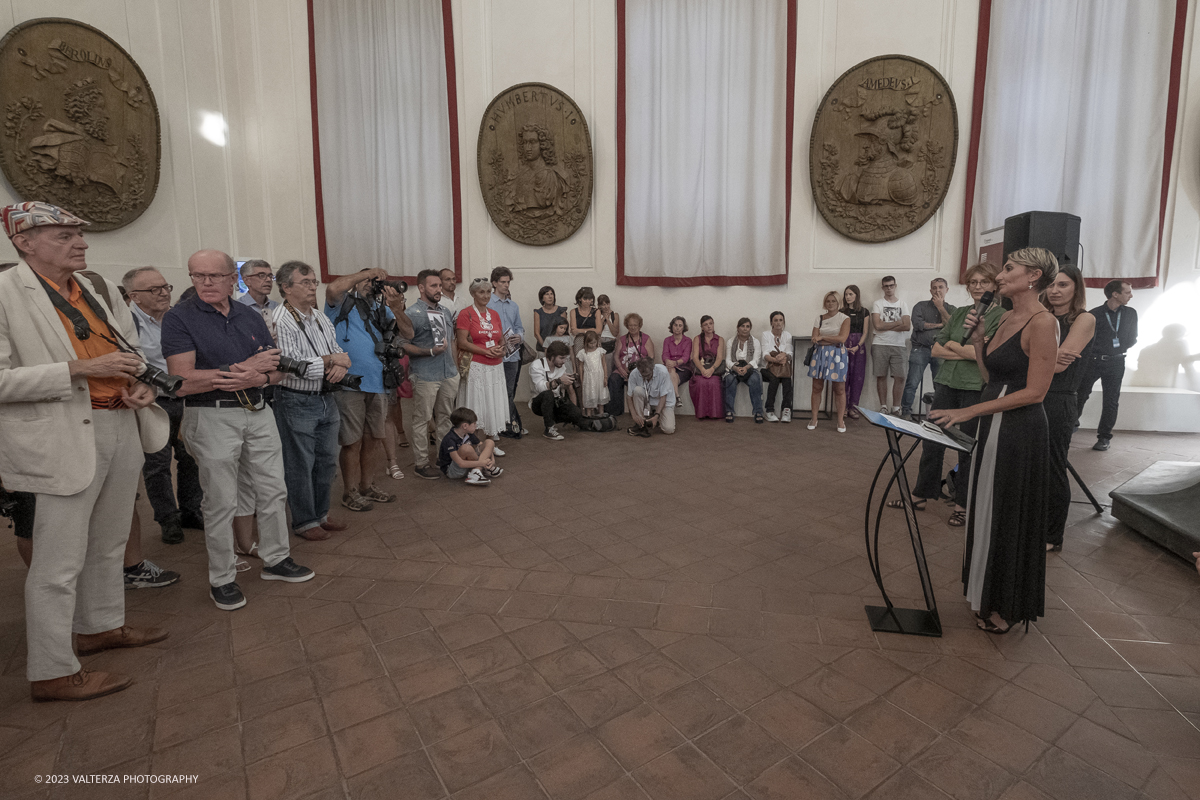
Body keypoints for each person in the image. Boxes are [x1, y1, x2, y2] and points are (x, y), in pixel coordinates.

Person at [0, 201, 170, 701]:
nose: (79, 241)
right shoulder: (6, 292)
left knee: (110, 541)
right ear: (24, 242)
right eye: (62, 235)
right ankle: (52, 670)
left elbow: (131, 353)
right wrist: (76, 371)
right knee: (57, 562)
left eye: (79, 231)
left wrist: (143, 387)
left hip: (119, 419)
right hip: (61, 433)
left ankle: (100, 627)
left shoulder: (93, 287)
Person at [164, 249, 316, 612]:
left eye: (214, 275)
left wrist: (260, 376)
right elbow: (181, 379)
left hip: (257, 408)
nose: (206, 282)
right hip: (212, 415)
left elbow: (277, 367)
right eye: (197, 276)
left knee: (273, 489)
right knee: (220, 500)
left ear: (234, 279)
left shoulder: (249, 315)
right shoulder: (179, 318)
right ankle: (223, 577)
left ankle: (277, 559)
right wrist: (245, 367)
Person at [929, 247, 1059, 634]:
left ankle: (1007, 603)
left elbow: (1036, 392)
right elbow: (989, 377)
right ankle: (984, 594)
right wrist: (982, 340)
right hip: (994, 420)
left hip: (1019, 430)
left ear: (1033, 276)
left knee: (1006, 513)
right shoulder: (1004, 317)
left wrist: (968, 413)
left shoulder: (1042, 322)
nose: (1000, 276)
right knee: (984, 508)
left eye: (1008, 268)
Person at [898, 263, 1005, 525]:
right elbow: (935, 348)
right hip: (946, 383)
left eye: (983, 282)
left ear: (994, 285)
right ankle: (921, 495)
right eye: (973, 282)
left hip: (974, 388)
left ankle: (962, 505)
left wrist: (959, 347)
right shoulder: (959, 314)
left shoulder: (1002, 316)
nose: (977, 287)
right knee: (931, 440)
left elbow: (985, 354)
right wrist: (964, 348)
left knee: (965, 447)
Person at [271, 260, 352, 540]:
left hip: (326, 396)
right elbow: (291, 365)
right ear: (285, 287)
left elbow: (338, 351)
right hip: (296, 398)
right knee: (300, 463)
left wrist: (340, 365)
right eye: (305, 283)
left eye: (314, 282)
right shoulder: (280, 320)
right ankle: (304, 521)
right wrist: (332, 361)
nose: (312, 288)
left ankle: (321, 514)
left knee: (327, 460)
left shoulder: (319, 318)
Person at [124, 266, 204, 543]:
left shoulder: (177, 319)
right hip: (153, 403)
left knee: (190, 457)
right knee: (157, 463)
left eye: (165, 287)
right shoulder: (126, 324)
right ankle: (168, 518)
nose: (163, 293)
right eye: (154, 289)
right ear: (134, 296)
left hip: (184, 398)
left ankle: (192, 510)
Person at [324, 268, 414, 511]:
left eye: (375, 281)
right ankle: (349, 492)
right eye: (367, 280)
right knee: (351, 441)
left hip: (378, 382)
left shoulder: (380, 308)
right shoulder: (341, 302)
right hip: (349, 382)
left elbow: (409, 333)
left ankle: (367, 485)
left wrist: (396, 307)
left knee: (373, 438)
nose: (371, 284)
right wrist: (367, 273)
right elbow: (332, 288)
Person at [1042, 265, 1095, 552]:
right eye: (1051, 285)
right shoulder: (1043, 317)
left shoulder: (1084, 319)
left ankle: (1052, 536)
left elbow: (1060, 366)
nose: (1055, 290)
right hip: (1033, 395)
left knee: (1053, 467)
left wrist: (1033, 356)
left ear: (1076, 288)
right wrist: (1046, 356)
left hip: (1059, 399)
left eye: (1062, 285)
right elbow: (1051, 358)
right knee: (1032, 467)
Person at [403, 270, 461, 480]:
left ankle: (443, 457)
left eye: (439, 285)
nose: (439, 290)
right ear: (421, 288)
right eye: (434, 286)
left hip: (448, 372)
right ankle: (421, 463)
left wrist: (455, 368)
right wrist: (428, 352)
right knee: (422, 419)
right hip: (426, 374)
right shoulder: (411, 313)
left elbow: (452, 340)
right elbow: (402, 345)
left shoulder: (445, 311)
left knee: (446, 417)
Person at [1078, 280, 1138, 451]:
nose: (1131, 295)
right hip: (1093, 361)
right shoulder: (1094, 314)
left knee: (1111, 401)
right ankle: (1070, 426)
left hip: (1116, 361)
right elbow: (1086, 339)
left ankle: (1104, 437)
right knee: (1080, 394)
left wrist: (1115, 349)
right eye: (1127, 292)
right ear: (1115, 294)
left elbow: (1133, 337)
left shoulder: (1131, 313)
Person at [456, 277, 510, 453]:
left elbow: (500, 339)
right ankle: (475, 443)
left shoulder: (494, 314)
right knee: (477, 403)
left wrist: (501, 350)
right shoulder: (466, 314)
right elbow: (462, 342)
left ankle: (489, 444)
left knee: (492, 403)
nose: (485, 295)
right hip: (477, 366)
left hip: (495, 366)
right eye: (481, 292)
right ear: (473, 294)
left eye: (488, 291)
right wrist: (486, 351)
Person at [902, 278, 955, 418]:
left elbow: (952, 326)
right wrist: (939, 325)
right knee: (912, 383)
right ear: (930, 290)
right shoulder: (920, 306)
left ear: (947, 290)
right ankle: (906, 412)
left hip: (941, 351)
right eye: (934, 287)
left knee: (940, 385)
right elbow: (919, 325)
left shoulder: (952, 309)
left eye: (941, 287)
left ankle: (938, 415)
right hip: (920, 349)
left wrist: (940, 307)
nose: (937, 290)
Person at [488, 266, 526, 438]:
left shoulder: (513, 306)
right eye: (502, 282)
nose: (506, 285)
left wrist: (520, 336)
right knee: (493, 390)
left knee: (509, 391)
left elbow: (519, 327)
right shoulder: (487, 303)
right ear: (494, 283)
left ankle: (507, 424)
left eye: (508, 282)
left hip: (512, 355)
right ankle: (493, 427)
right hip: (493, 354)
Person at [807, 293, 850, 432]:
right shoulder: (819, 318)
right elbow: (814, 338)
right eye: (828, 301)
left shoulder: (845, 318)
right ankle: (814, 418)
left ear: (839, 303)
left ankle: (840, 421)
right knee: (817, 387)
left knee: (839, 389)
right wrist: (825, 339)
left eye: (833, 301)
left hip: (838, 354)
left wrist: (823, 337)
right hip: (820, 354)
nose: (830, 303)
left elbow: (842, 338)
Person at [529, 341, 587, 440]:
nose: (564, 361)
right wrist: (559, 380)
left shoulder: (561, 367)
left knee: (576, 414)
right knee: (548, 394)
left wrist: (567, 384)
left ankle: (555, 419)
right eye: (561, 358)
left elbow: (568, 389)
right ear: (552, 357)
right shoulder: (536, 365)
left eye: (565, 358)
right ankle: (549, 429)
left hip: (556, 402)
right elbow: (541, 388)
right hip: (538, 404)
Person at [872, 276, 910, 413]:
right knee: (881, 375)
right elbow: (877, 325)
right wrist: (898, 322)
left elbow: (907, 326)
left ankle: (896, 407)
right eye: (886, 286)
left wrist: (885, 325)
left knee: (900, 376)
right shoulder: (877, 303)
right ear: (882, 287)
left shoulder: (902, 304)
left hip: (899, 345)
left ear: (895, 286)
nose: (889, 288)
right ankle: (883, 406)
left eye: (891, 285)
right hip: (880, 344)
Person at [438, 407, 502, 485]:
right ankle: (481, 468)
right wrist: (482, 463)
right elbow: (460, 463)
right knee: (466, 448)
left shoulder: (468, 433)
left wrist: (492, 459)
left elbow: (482, 446)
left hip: (469, 464)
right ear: (465, 426)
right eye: (474, 423)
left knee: (489, 442)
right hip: (453, 470)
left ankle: (477, 471)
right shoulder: (450, 439)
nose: (476, 425)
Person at [609, 313, 654, 416]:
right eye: (630, 325)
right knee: (613, 379)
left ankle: (639, 412)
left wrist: (641, 370)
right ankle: (616, 412)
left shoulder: (646, 338)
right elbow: (616, 356)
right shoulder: (622, 339)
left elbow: (651, 357)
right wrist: (620, 369)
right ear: (627, 326)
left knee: (641, 383)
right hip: (623, 370)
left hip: (640, 371)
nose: (633, 327)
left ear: (639, 326)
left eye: (635, 325)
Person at [723, 317, 763, 423]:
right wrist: (735, 368)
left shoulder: (755, 341)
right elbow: (727, 360)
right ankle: (729, 411)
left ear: (750, 328)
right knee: (729, 380)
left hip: (749, 369)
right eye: (742, 326)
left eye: (747, 326)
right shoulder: (731, 341)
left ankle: (758, 411)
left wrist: (746, 368)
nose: (745, 329)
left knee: (755, 380)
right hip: (734, 368)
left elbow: (756, 359)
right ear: (738, 328)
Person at [841, 285, 870, 419]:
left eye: (850, 294)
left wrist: (858, 345)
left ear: (856, 295)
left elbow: (865, 332)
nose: (848, 297)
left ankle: (853, 407)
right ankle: (843, 407)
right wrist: (843, 345)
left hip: (859, 347)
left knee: (857, 377)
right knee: (844, 376)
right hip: (844, 346)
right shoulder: (841, 312)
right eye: (846, 294)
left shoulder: (864, 312)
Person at [627, 357, 676, 436]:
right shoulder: (634, 373)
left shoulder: (662, 372)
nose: (645, 377)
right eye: (642, 375)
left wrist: (657, 415)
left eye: (648, 375)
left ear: (653, 368)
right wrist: (634, 415)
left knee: (669, 429)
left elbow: (663, 397)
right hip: (647, 400)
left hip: (663, 402)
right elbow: (629, 396)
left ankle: (655, 416)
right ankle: (641, 423)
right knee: (637, 390)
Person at [690, 316, 725, 419]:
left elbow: (719, 358)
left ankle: (715, 414)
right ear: (702, 327)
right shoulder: (697, 339)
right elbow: (695, 358)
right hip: (701, 367)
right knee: (700, 382)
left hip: (714, 368)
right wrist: (702, 370)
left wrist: (711, 369)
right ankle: (702, 413)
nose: (709, 326)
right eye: (706, 324)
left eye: (711, 323)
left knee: (714, 382)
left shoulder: (720, 339)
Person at [761, 312, 793, 423]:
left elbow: (790, 352)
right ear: (771, 322)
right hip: (767, 367)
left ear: (784, 322)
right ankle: (769, 410)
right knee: (774, 379)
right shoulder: (766, 334)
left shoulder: (787, 335)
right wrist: (776, 360)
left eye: (780, 320)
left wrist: (784, 356)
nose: (778, 323)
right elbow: (765, 354)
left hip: (782, 367)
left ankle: (786, 410)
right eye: (775, 320)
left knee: (787, 379)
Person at [237, 259, 280, 340]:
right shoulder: (237, 308)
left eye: (270, 276)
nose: (268, 280)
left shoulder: (277, 307)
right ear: (246, 280)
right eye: (262, 275)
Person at [661, 316, 693, 409]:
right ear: (672, 327)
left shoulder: (688, 341)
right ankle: (677, 397)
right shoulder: (667, 340)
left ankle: (673, 398)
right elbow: (665, 355)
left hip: (684, 368)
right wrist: (668, 362)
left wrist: (674, 363)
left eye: (680, 325)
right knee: (671, 371)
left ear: (683, 328)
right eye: (675, 325)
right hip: (669, 366)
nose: (678, 327)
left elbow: (686, 357)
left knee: (671, 372)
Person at [578, 331, 609, 416]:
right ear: (586, 342)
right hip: (588, 378)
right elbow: (580, 366)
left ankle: (601, 415)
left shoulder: (600, 351)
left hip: (599, 377)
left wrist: (605, 377)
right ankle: (589, 416)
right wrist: (581, 378)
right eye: (590, 343)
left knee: (600, 397)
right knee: (589, 396)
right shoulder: (582, 353)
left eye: (594, 343)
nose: (593, 345)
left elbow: (604, 364)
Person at [569, 286, 600, 362]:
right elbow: (573, 331)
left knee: (594, 364)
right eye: (585, 299)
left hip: (594, 340)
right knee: (580, 363)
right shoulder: (573, 311)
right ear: (579, 299)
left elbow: (599, 330)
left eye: (589, 299)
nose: (587, 301)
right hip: (579, 341)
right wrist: (591, 330)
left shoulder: (596, 311)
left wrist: (580, 331)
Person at [533, 285, 566, 352]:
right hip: (543, 349)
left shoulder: (561, 311)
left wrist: (557, 347)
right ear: (542, 298)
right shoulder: (538, 312)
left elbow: (564, 330)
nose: (550, 296)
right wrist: (546, 348)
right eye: (547, 294)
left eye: (551, 294)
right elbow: (536, 334)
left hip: (558, 349)